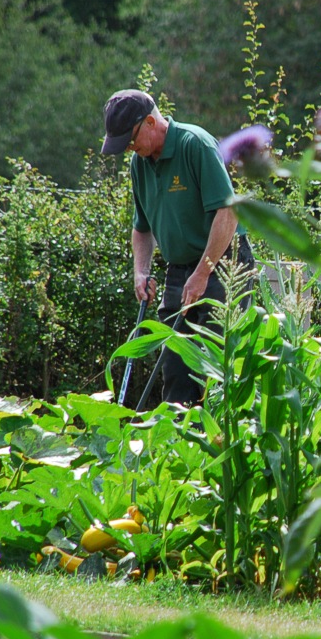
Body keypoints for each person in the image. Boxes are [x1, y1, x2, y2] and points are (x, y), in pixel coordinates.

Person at [101, 89, 255, 406]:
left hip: (224, 266)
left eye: (130, 139)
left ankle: (221, 445)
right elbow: (141, 227)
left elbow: (227, 213)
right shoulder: (139, 164)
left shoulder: (194, 145)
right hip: (179, 270)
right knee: (175, 367)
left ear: (149, 122)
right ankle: (177, 447)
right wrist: (140, 272)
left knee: (217, 367)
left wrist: (202, 273)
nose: (129, 148)